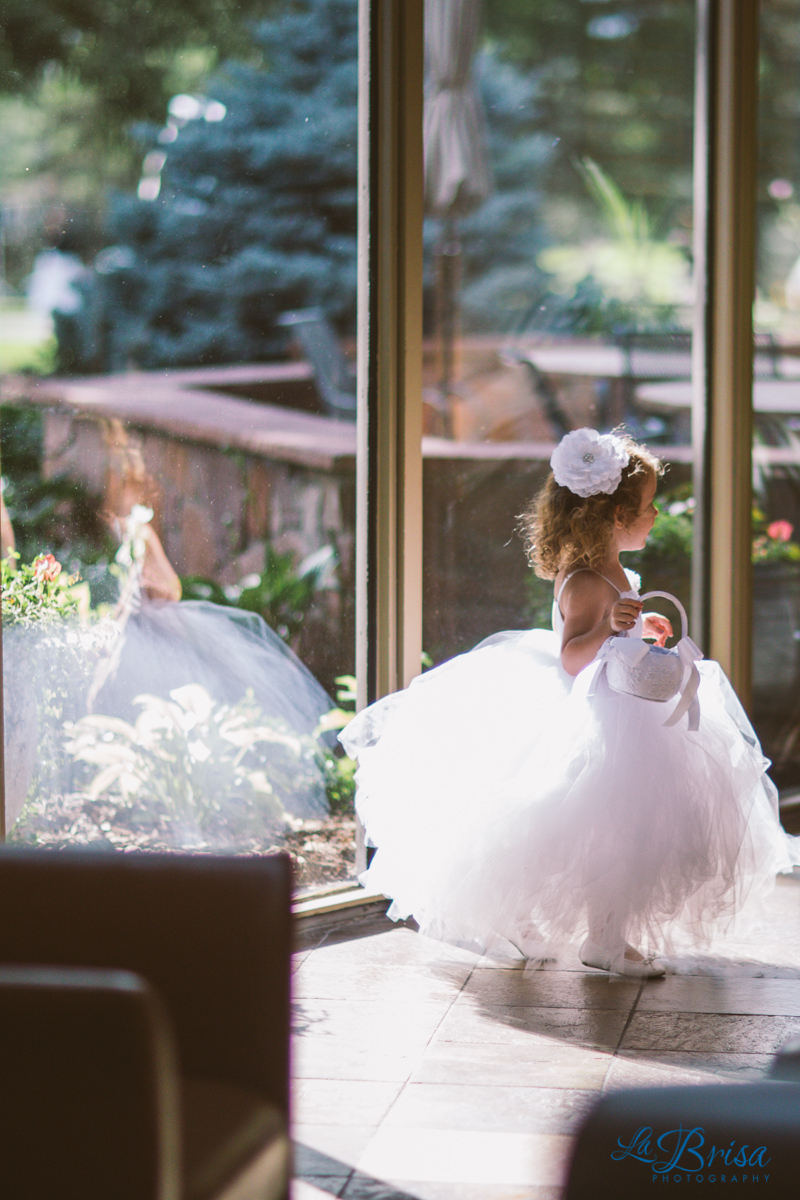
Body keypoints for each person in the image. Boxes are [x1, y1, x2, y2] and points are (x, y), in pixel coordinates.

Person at [341, 428, 800, 976]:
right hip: (598, 716)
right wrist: (609, 627)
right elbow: (573, 656)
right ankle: (568, 932)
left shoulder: (609, 569)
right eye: (648, 507)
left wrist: (636, 625)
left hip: (623, 707)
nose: (656, 515)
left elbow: (610, 633)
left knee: (623, 838)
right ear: (615, 516)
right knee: (600, 833)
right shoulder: (584, 580)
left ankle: (604, 935)